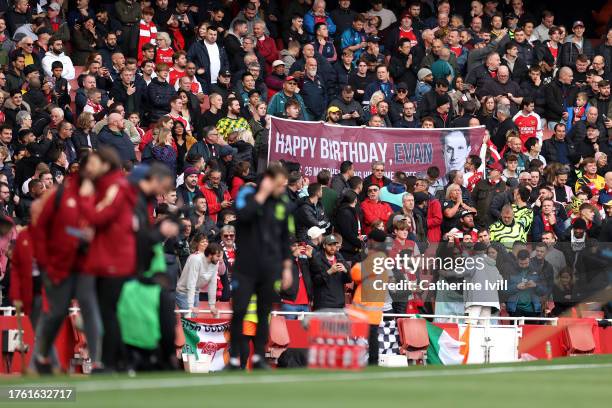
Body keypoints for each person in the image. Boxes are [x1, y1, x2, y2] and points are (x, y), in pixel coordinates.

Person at [30, 155, 103, 374]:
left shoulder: (97, 200)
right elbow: (42, 228)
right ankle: (41, 356)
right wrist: (45, 262)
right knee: (56, 313)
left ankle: (98, 362)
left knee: (90, 309)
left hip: (84, 266)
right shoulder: (59, 196)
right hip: (59, 266)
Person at [227, 165, 293, 370]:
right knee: (239, 311)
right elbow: (243, 215)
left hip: (270, 265)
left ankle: (258, 359)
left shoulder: (282, 202)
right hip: (246, 265)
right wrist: (262, 193)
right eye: (279, 185)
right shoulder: (247, 193)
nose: (283, 190)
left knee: (264, 312)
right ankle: (235, 360)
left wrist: (287, 267)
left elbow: (285, 237)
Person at [175, 242, 222, 316]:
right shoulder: (196, 259)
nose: (220, 259)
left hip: (195, 292)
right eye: (218, 256)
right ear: (210, 255)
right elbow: (191, 283)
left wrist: (212, 306)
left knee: (194, 320)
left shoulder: (215, 263)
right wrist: (191, 306)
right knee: (190, 319)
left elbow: (213, 285)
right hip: (182, 292)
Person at [311, 234, 350, 310]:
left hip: (339, 303)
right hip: (323, 304)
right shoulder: (317, 258)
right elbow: (315, 281)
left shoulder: (340, 257)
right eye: (330, 245)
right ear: (324, 245)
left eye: (334, 245)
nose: (332, 247)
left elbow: (349, 279)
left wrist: (345, 271)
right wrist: (329, 272)